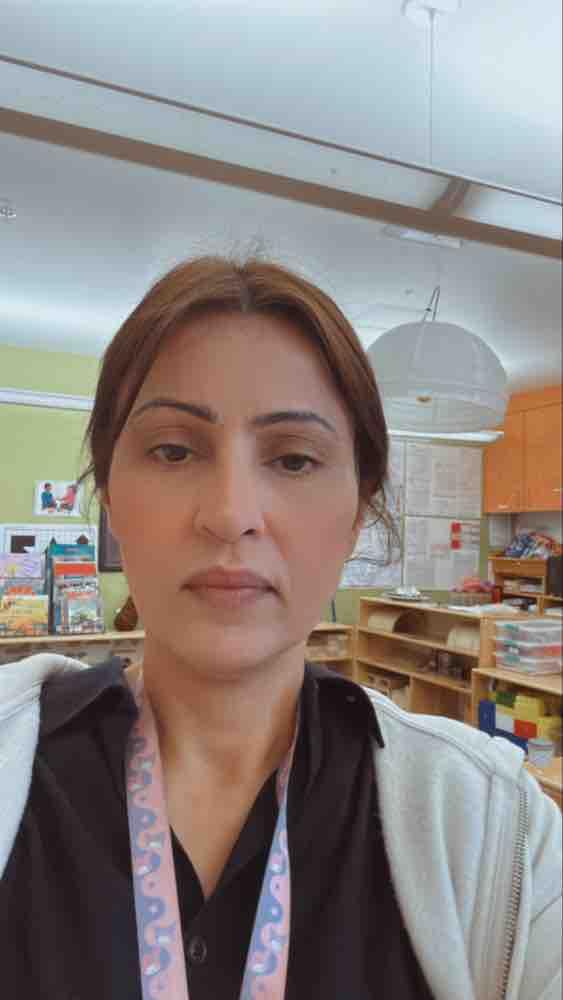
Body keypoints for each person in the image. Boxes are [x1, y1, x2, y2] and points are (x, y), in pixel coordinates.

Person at [0, 256, 561, 999]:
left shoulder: (494, 826)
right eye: (173, 450)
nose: (231, 514)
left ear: (358, 509)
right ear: (109, 495)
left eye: (294, 459)